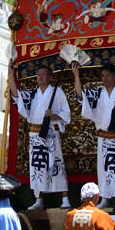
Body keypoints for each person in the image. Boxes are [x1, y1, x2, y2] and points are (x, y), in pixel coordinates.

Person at [71, 62, 115, 209]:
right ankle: (105, 199)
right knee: (105, 170)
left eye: (108, 75)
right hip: (104, 137)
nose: (104, 78)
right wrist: (76, 76)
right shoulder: (98, 93)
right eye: (103, 75)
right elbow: (80, 96)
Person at [9, 64, 72, 210]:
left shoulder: (57, 92)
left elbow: (66, 113)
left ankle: (65, 198)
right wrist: (11, 74)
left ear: (50, 77)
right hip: (35, 133)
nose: (40, 77)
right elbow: (16, 95)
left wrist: (53, 115)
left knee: (56, 163)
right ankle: (39, 199)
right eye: (38, 75)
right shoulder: (33, 94)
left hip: (50, 131)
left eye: (44, 74)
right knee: (37, 166)